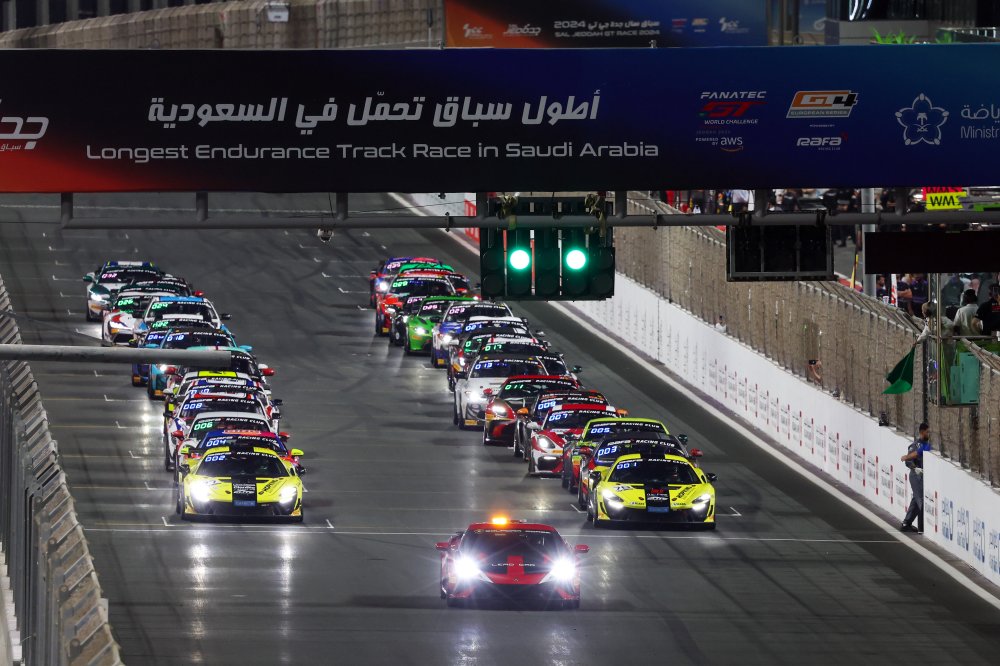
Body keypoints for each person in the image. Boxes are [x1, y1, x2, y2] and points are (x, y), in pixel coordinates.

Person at [900, 423, 931, 533]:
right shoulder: (914, 445)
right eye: (927, 432)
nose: (929, 434)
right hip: (916, 475)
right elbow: (908, 462)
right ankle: (921, 528)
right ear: (922, 432)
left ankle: (906, 523)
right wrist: (915, 468)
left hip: (924, 476)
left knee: (916, 499)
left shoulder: (929, 445)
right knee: (921, 499)